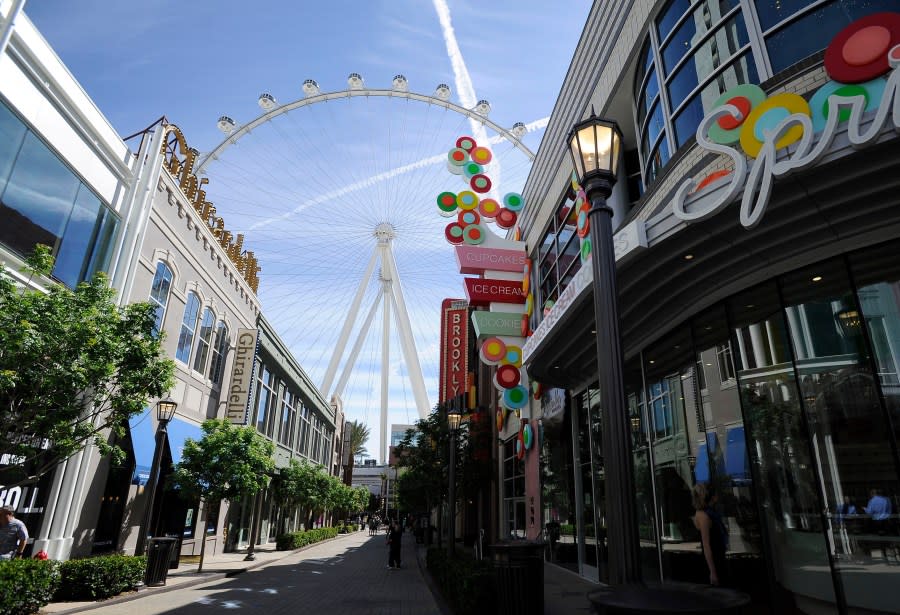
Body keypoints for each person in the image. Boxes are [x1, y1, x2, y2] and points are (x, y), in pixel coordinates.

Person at [692, 483, 728, 587]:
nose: (718, 497)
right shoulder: (703, 516)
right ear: (710, 497)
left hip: (719, 554)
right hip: (714, 559)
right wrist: (712, 571)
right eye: (716, 495)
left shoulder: (710, 513)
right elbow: (706, 545)